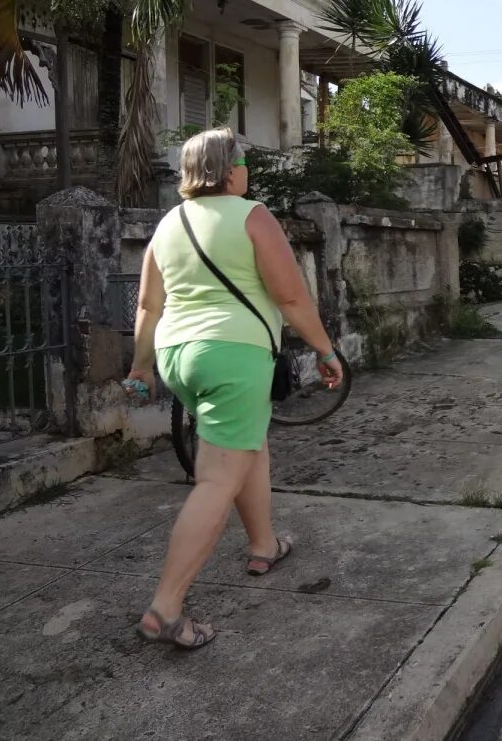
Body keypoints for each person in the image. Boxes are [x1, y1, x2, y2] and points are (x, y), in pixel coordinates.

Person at [126, 127, 343, 649]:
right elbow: (291, 298)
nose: (248, 169)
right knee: (217, 480)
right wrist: (326, 351)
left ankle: (263, 544)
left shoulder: (168, 223)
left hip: (179, 357)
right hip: (234, 355)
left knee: (250, 444)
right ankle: (166, 608)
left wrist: (140, 367)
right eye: (244, 160)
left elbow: (149, 306)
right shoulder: (252, 215)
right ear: (229, 170)